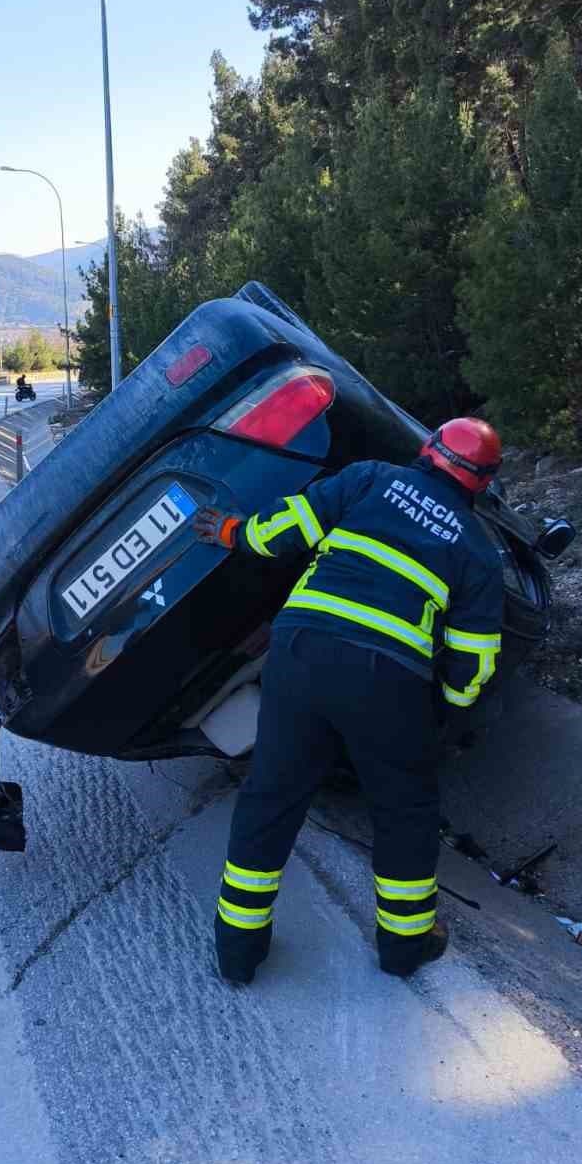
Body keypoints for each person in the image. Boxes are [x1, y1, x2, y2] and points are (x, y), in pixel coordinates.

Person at [193, 417, 505, 984]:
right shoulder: (478, 552)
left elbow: (283, 529)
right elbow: (474, 658)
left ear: (428, 450)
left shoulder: (368, 479)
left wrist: (233, 532)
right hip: (388, 679)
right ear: (482, 483)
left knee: (273, 795)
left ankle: (236, 950)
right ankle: (404, 947)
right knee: (403, 809)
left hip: (302, 652)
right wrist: (447, 709)